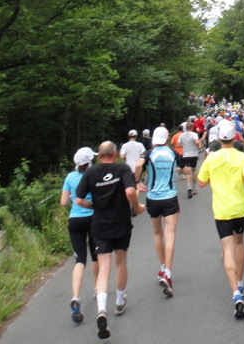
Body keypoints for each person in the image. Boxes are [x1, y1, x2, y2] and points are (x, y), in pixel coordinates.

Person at [75, 141, 144, 340]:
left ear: (99, 156)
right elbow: (130, 191)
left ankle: (102, 310)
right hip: (120, 223)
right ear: (115, 153)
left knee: (104, 268)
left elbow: (78, 200)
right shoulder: (122, 168)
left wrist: (94, 207)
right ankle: (120, 301)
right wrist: (136, 208)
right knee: (121, 261)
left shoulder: (90, 173)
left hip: (100, 225)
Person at [197, 120, 244, 319]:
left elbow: (201, 183)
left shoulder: (211, 158)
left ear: (219, 137)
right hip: (240, 207)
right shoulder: (242, 156)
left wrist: (215, 173)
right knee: (239, 241)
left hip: (221, 209)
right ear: (234, 137)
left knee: (227, 248)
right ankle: (240, 282)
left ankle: (236, 294)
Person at [135, 126, 180, 298]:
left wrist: (137, 181)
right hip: (170, 196)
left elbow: (138, 165)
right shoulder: (172, 153)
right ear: (167, 138)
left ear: (154, 139)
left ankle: (162, 267)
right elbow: (182, 167)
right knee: (170, 233)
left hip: (153, 197)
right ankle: (168, 272)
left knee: (157, 232)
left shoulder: (148, 153)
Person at [61, 146, 100, 324]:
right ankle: (97, 289)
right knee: (96, 256)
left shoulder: (70, 177)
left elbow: (63, 202)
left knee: (79, 260)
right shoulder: (93, 174)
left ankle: (76, 297)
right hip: (92, 219)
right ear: (89, 161)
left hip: (75, 220)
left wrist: (71, 199)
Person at [178, 120, 202, 198]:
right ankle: (194, 187)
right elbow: (197, 142)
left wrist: (184, 145)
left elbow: (179, 145)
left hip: (186, 154)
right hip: (193, 154)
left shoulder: (182, 135)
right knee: (194, 170)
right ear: (192, 127)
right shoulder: (194, 134)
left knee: (187, 172)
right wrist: (197, 147)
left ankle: (188, 187)